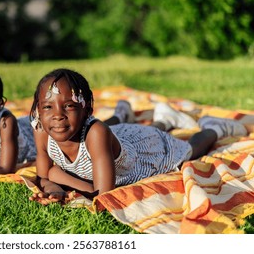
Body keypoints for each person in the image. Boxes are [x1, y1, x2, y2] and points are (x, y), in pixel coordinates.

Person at [28, 68, 248, 205]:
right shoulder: (41, 131)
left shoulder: (95, 134)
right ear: (38, 110)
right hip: (122, 136)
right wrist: (55, 190)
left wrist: (61, 180)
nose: (57, 115)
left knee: (188, 151)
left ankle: (213, 128)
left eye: (69, 106)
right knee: (55, 171)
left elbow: (103, 193)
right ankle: (164, 118)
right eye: (47, 107)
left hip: (144, 152)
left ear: (87, 111)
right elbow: (45, 177)